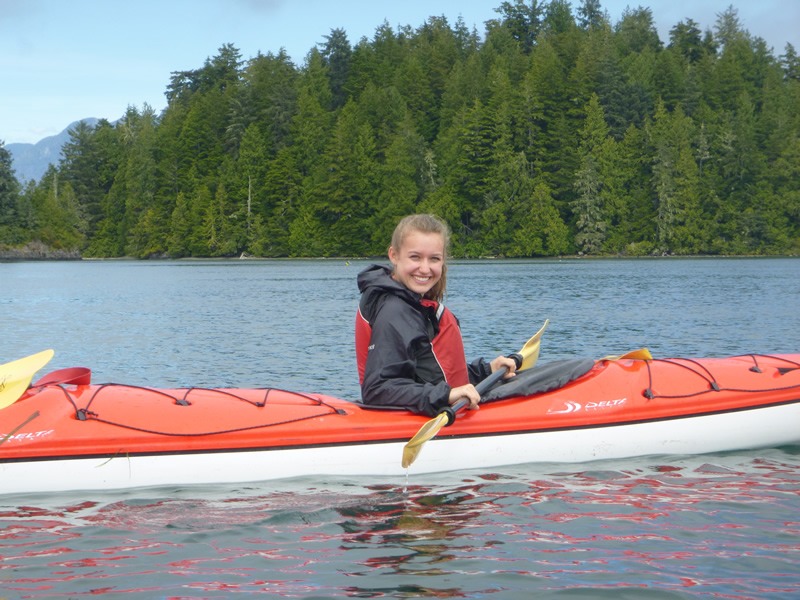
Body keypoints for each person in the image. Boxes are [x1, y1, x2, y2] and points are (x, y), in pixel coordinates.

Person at [355, 214, 516, 416]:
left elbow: (429, 370)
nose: (425, 268)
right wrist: (446, 395)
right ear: (394, 255)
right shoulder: (393, 311)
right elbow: (377, 389)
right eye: (415, 257)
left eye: (434, 259)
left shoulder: (410, 302)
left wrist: (486, 371)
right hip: (408, 422)